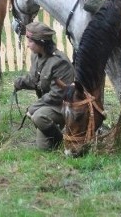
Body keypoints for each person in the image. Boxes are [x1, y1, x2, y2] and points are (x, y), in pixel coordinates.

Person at [14, 21, 75, 150]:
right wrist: (20, 83)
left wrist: (33, 107)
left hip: (63, 106)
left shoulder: (59, 62)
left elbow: (57, 95)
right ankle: (54, 133)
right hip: (48, 104)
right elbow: (34, 80)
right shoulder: (36, 56)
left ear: (41, 42)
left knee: (38, 116)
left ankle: (62, 141)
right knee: (44, 148)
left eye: (30, 41)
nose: (28, 45)